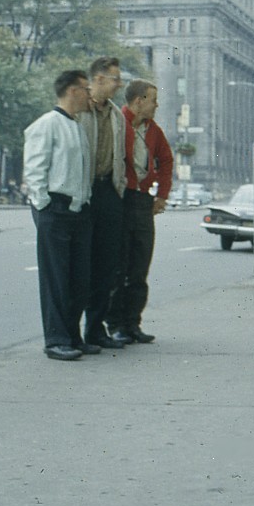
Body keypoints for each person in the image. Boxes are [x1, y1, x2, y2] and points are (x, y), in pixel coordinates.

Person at [23, 69, 94, 361]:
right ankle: (55, 339)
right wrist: (43, 204)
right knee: (56, 278)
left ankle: (72, 335)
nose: (90, 95)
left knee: (78, 277)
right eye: (86, 89)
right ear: (73, 90)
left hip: (78, 209)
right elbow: (35, 169)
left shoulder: (77, 125)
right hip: (56, 207)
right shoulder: (47, 124)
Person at [107, 79, 173, 345]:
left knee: (139, 265)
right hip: (120, 200)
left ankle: (133, 322)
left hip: (143, 202)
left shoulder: (153, 129)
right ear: (138, 101)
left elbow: (166, 160)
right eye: (153, 99)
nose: (156, 105)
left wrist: (162, 195)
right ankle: (115, 324)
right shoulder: (117, 124)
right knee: (118, 266)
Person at [79, 57, 127, 350]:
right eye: (115, 79)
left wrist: (118, 187)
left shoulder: (116, 115)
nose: (119, 84)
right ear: (97, 79)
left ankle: (96, 330)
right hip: (83, 193)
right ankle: (75, 332)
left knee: (107, 266)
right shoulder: (79, 111)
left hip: (108, 191)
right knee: (81, 264)